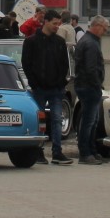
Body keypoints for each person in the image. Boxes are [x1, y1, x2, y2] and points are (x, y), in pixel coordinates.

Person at [21, 9, 72, 165]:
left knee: (57, 119)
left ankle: (57, 152)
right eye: (55, 23)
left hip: (56, 88)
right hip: (39, 89)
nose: (57, 26)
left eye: (59, 24)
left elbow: (64, 64)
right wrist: (34, 82)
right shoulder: (31, 41)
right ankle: (38, 152)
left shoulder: (59, 42)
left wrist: (62, 81)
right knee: (39, 120)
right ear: (46, 22)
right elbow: (26, 64)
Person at [73, 16, 109, 164]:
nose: (104, 32)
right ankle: (86, 153)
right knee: (89, 122)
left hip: (85, 85)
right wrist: (97, 85)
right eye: (104, 29)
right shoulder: (91, 43)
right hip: (89, 87)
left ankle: (92, 151)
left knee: (92, 121)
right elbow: (91, 68)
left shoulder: (87, 41)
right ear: (97, 26)